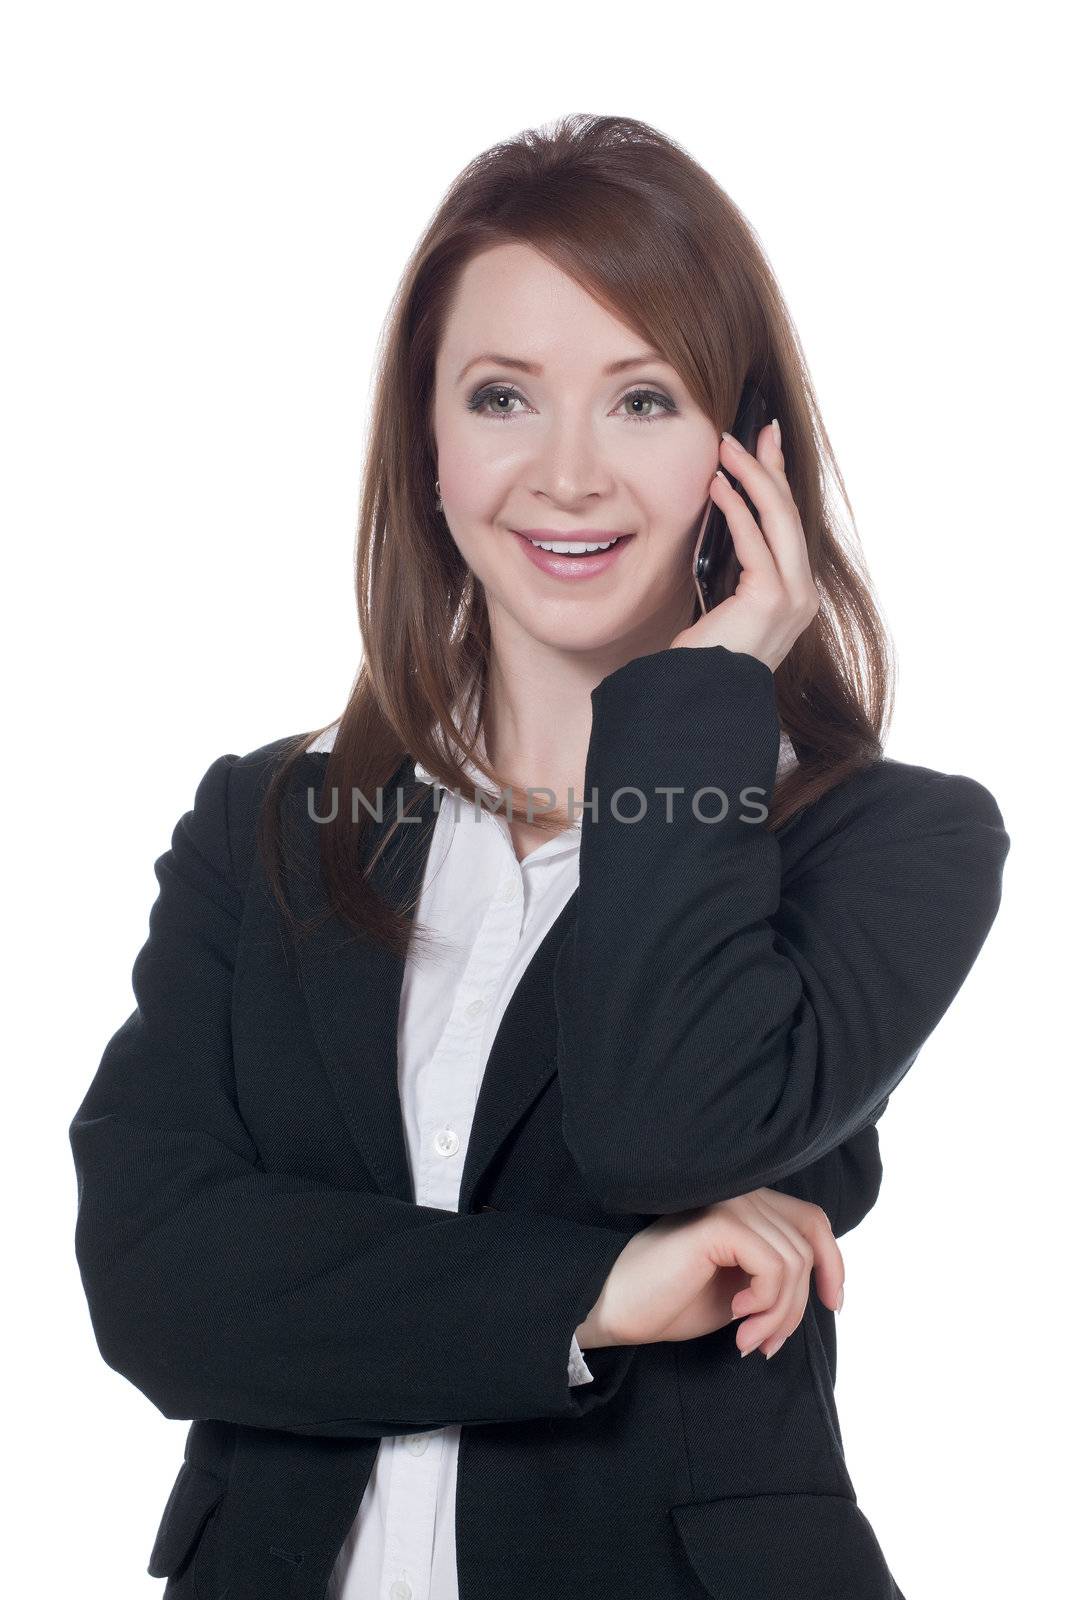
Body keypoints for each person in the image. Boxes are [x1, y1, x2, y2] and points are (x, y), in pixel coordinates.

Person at [69, 113, 1010, 1600]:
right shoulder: (268, 830)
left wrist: (703, 700)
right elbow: (155, 1282)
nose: (568, 473)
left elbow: (665, 1129)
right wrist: (602, 1292)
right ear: (428, 441)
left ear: (741, 454)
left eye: (643, 400)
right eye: (504, 395)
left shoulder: (883, 845)